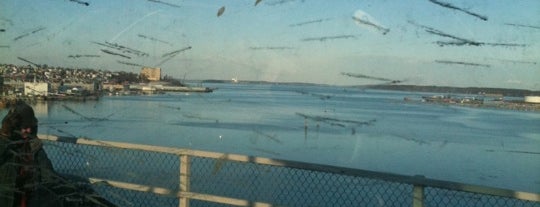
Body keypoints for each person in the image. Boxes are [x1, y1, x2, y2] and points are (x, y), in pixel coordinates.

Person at [0, 101, 116, 207]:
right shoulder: (5, 145)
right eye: (24, 127)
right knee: (78, 195)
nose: (29, 130)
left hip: (35, 192)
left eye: (31, 126)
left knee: (82, 188)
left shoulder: (31, 144)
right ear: (13, 126)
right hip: (17, 199)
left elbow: (48, 173)